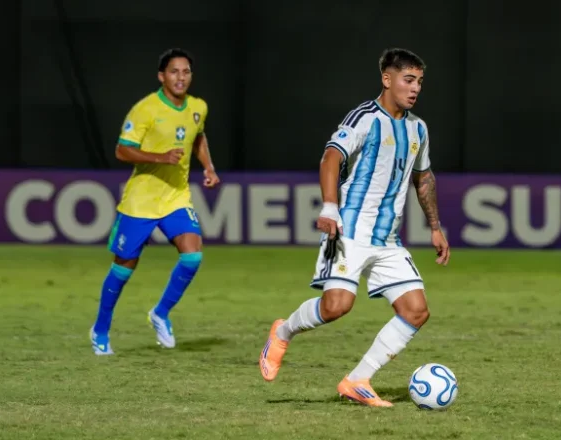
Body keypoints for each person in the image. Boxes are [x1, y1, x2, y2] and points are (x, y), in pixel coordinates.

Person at [259, 48, 450, 407]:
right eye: (408, 80)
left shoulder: (417, 128)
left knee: (416, 311)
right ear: (387, 79)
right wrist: (330, 207)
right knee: (336, 307)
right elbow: (331, 157)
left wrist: (435, 226)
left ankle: (358, 380)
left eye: (420, 82)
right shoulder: (365, 117)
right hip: (349, 230)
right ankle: (282, 332)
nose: (415, 89)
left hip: (388, 238)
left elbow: (423, 178)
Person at [89, 48, 220, 355]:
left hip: (176, 197)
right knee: (124, 267)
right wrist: (160, 157)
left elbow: (198, 136)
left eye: (186, 72)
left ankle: (160, 313)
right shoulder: (145, 109)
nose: (181, 77)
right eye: (174, 72)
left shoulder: (198, 107)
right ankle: (100, 329)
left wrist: (209, 167)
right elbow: (122, 150)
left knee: (192, 256)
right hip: (141, 201)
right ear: (162, 76)